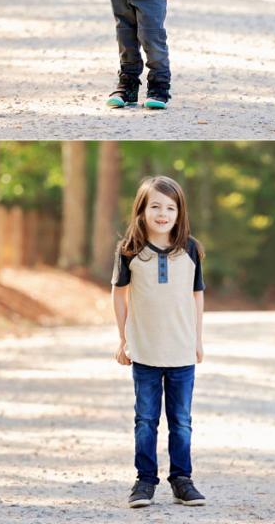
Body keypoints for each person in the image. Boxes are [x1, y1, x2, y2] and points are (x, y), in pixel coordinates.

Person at [111, 176, 206, 508]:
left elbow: (197, 295)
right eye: (155, 206)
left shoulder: (190, 249)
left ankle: (182, 480)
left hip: (181, 351)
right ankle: (144, 482)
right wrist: (123, 339)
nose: (163, 213)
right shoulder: (130, 250)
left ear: (179, 213)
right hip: (145, 353)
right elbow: (119, 295)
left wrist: (197, 338)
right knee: (146, 420)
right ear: (142, 210)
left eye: (170, 207)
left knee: (181, 421)